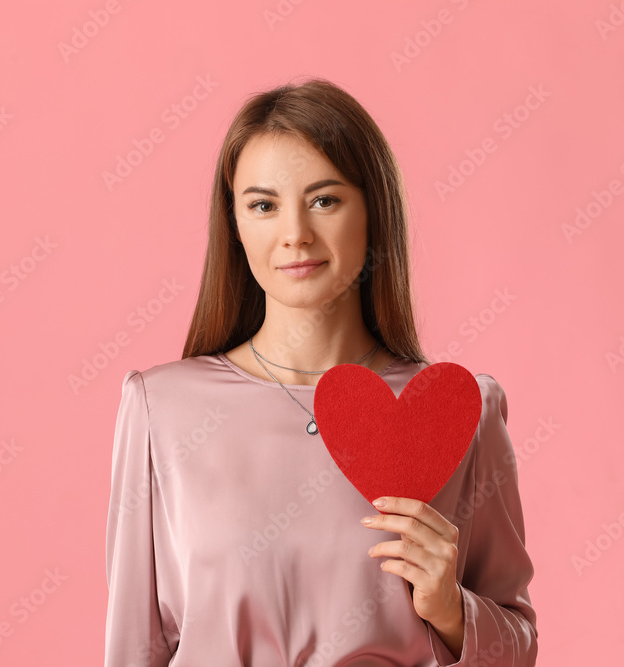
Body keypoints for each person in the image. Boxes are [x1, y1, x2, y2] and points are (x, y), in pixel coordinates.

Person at [104, 77, 538, 666]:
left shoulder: (460, 411)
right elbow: (136, 646)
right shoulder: (162, 408)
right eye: (263, 205)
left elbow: (519, 646)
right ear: (234, 225)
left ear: (373, 210)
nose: (295, 234)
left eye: (324, 200)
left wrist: (453, 611)